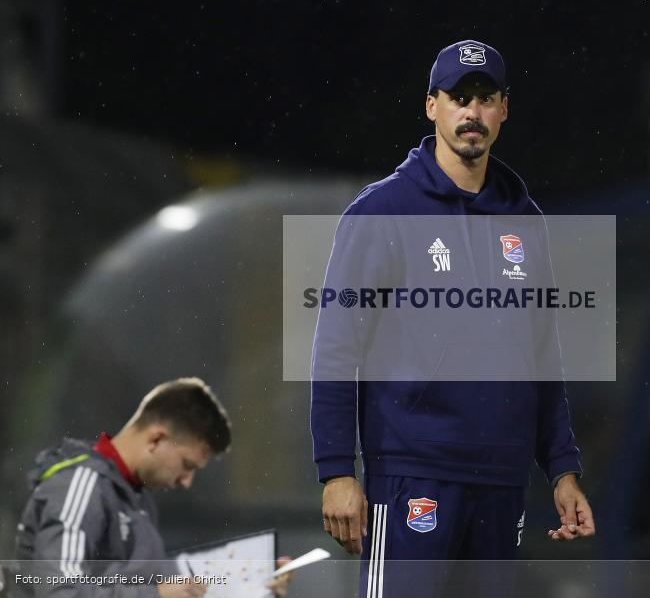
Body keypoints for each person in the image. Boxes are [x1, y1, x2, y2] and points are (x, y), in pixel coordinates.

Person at [311, 40, 595, 596]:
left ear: (504, 110)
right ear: (431, 106)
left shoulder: (526, 221)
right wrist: (337, 471)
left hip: (502, 479)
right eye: (459, 98)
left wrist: (562, 470)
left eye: (486, 98)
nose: (472, 112)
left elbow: (542, 357)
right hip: (412, 473)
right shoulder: (382, 211)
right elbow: (337, 348)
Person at [14, 378, 293, 598]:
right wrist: (155, 595)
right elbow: (60, 591)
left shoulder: (138, 498)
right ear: (157, 439)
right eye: (187, 465)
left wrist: (255, 583)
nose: (187, 481)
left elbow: (153, 582)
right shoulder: (81, 484)